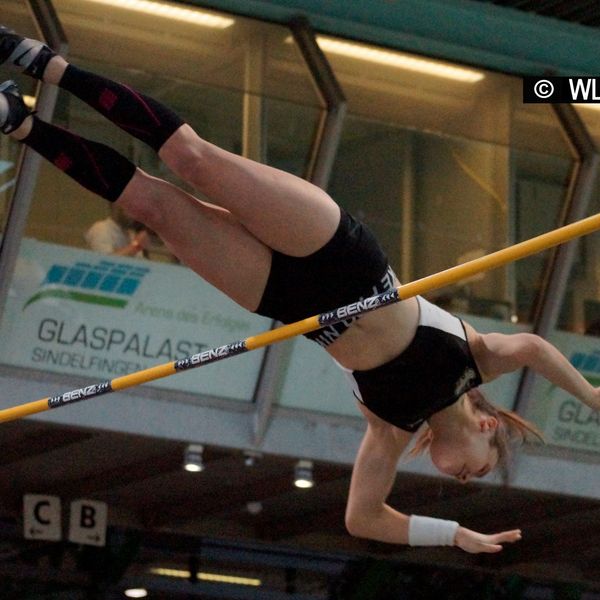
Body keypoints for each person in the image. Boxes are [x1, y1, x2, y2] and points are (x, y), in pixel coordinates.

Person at [1, 26, 599, 554]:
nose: (466, 479)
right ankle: (44, 62)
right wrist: (593, 399)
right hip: (337, 254)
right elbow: (536, 350)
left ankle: (20, 122)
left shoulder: (389, 430)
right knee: (192, 158)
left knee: (150, 205)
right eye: (479, 471)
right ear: (488, 428)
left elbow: (363, 519)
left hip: (284, 299)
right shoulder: (477, 362)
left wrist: (454, 534)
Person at [85, 204, 150, 257]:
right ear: (114, 206)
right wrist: (136, 246)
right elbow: (106, 262)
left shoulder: (131, 234)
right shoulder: (100, 229)